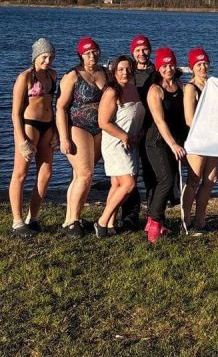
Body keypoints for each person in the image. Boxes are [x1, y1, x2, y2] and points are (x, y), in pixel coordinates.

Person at [56, 36, 108, 237]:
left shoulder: (104, 72)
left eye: (94, 52)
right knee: (85, 174)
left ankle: (71, 218)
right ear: (80, 55)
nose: (92, 56)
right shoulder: (73, 75)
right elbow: (61, 107)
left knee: (81, 176)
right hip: (78, 127)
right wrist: (63, 138)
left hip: (99, 129)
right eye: (87, 53)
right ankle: (72, 220)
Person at [9, 38, 58, 237]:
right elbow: (15, 113)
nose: (47, 61)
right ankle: (17, 222)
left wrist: (56, 130)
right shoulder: (25, 77)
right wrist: (21, 141)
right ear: (35, 56)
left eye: (51, 57)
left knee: (46, 173)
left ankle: (33, 217)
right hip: (29, 126)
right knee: (20, 173)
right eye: (44, 57)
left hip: (48, 126)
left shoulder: (52, 75)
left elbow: (52, 105)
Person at [95, 55, 145, 238]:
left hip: (132, 143)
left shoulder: (133, 89)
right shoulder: (111, 92)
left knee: (117, 184)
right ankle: (102, 222)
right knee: (128, 184)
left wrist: (138, 134)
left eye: (128, 69)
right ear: (114, 72)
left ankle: (110, 223)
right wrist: (124, 136)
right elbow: (103, 122)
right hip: (116, 144)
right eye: (121, 69)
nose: (125, 72)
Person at [144, 48, 187, 242]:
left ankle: (157, 221)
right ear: (158, 67)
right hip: (157, 142)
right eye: (164, 65)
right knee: (166, 180)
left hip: (175, 140)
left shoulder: (180, 86)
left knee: (169, 183)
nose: (168, 69)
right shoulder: (155, 90)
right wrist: (173, 144)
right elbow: (160, 121)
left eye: (171, 65)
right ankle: (154, 222)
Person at [182, 47, 218, 233]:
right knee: (194, 180)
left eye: (205, 63)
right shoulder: (190, 88)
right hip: (197, 140)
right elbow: (189, 119)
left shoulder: (212, 85)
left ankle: (200, 220)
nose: (203, 67)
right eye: (198, 64)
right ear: (192, 68)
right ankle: (185, 221)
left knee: (211, 179)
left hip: (213, 140)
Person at [127, 33, 156, 230]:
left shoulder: (157, 72)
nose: (142, 53)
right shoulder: (127, 72)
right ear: (133, 52)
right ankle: (129, 215)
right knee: (129, 174)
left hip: (151, 129)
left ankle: (153, 216)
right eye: (137, 50)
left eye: (145, 49)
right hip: (130, 129)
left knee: (151, 175)